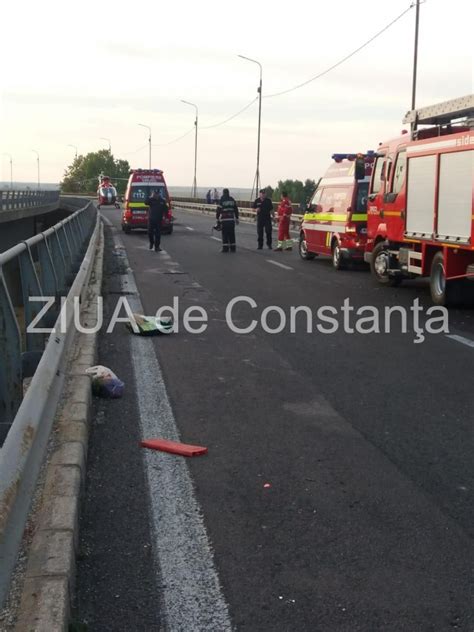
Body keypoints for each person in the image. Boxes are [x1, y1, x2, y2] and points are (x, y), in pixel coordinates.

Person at [216, 188, 239, 252]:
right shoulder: (232, 199)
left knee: (225, 234)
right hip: (231, 220)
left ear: (223, 193)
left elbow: (218, 210)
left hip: (225, 220)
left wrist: (217, 219)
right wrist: (237, 218)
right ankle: (233, 248)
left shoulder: (222, 200)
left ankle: (225, 248)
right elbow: (236, 209)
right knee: (232, 234)